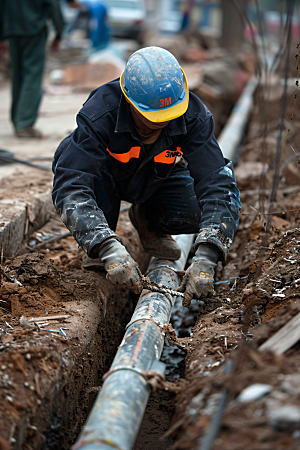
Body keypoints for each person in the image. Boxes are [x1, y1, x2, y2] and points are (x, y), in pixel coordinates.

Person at [52, 46, 241, 306]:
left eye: (170, 115)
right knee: (70, 157)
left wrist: (207, 255)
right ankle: (100, 240)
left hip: (157, 180)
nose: (162, 122)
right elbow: (71, 183)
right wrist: (106, 246)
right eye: (152, 117)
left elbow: (218, 184)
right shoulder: (100, 114)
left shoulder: (193, 116)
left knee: (198, 211)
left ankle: (149, 220)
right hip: (109, 182)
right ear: (129, 100)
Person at [1, 0, 64, 138]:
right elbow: (54, 6)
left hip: (12, 32)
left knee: (17, 76)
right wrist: (59, 33)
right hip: (34, 30)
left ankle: (17, 121)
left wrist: (1, 36)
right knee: (32, 75)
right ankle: (24, 124)